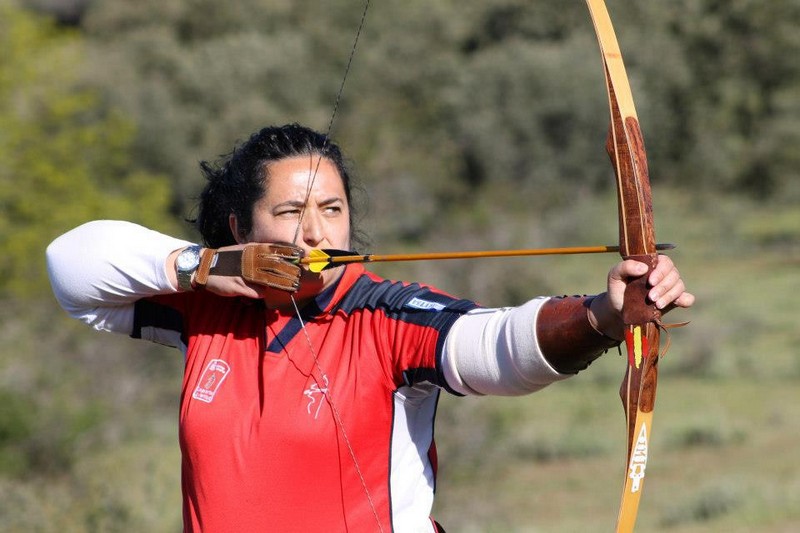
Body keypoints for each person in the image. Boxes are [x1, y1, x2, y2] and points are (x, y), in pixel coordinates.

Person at [46, 123, 694, 532]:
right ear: (243, 230)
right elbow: (70, 266)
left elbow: (494, 345)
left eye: (332, 209)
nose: (315, 232)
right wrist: (201, 265)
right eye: (290, 211)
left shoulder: (384, 313)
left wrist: (603, 316)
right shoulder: (210, 309)